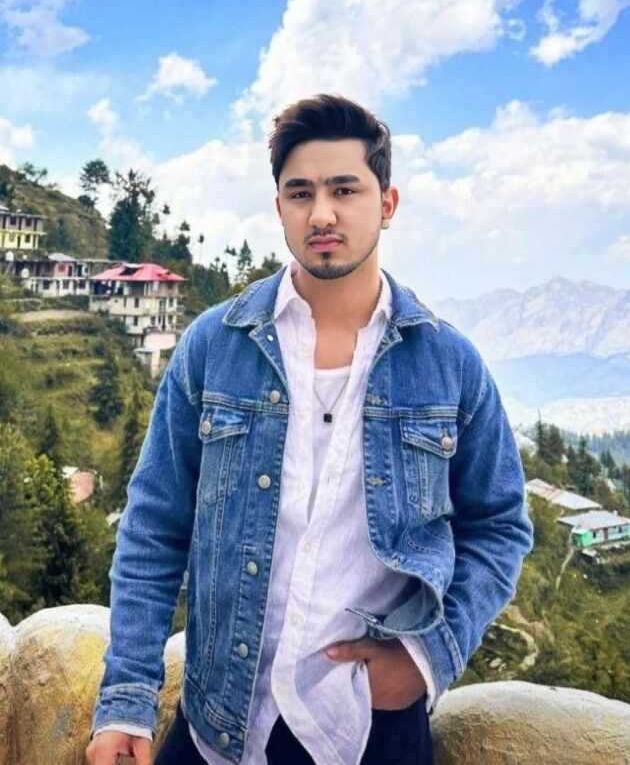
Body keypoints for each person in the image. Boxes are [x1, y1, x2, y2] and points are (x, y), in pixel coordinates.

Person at [86, 94, 534, 765]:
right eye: (301, 193)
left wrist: (426, 657)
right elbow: (153, 527)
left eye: (344, 190)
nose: (321, 213)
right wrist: (127, 698)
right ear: (280, 208)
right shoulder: (215, 347)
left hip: (369, 731)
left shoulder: (449, 364)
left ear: (386, 204)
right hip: (216, 726)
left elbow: (499, 526)